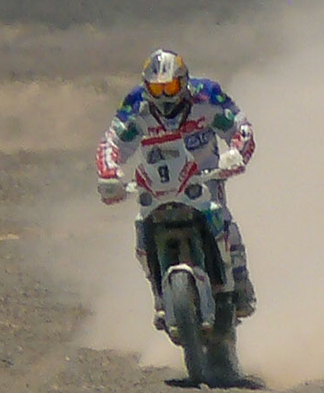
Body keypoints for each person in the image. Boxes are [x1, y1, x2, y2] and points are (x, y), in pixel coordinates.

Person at [95, 49, 258, 326]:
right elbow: (113, 142)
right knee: (141, 232)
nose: (164, 96)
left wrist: (237, 153)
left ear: (183, 81)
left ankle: (239, 281)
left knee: (225, 223)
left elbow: (239, 127)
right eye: (156, 89)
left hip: (203, 177)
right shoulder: (136, 105)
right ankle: (159, 294)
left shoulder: (206, 95)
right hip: (157, 185)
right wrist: (110, 173)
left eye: (170, 87)